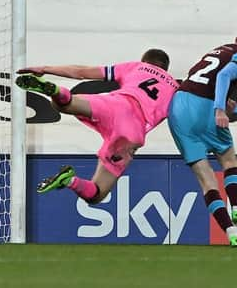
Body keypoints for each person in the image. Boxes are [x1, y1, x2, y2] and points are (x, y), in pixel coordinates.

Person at [17, 49, 178, 204]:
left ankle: (56, 91)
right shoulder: (176, 89)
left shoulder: (136, 67)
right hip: (132, 130)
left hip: (113, 105)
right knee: (96, 194)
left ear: (145, 61)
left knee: (64, 104)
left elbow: (82, 72)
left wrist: (45, 69)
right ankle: (69, 181)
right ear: (166, 68)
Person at [168, 40, 237, 245]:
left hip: (178, 107)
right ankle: (236, 207)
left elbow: (197, 74)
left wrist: (225, 102)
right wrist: (219, 107)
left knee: (206, 180)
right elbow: (224, 74)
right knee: (229, 161)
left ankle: (231, 231)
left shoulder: (219, 50)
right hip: (205, 106)